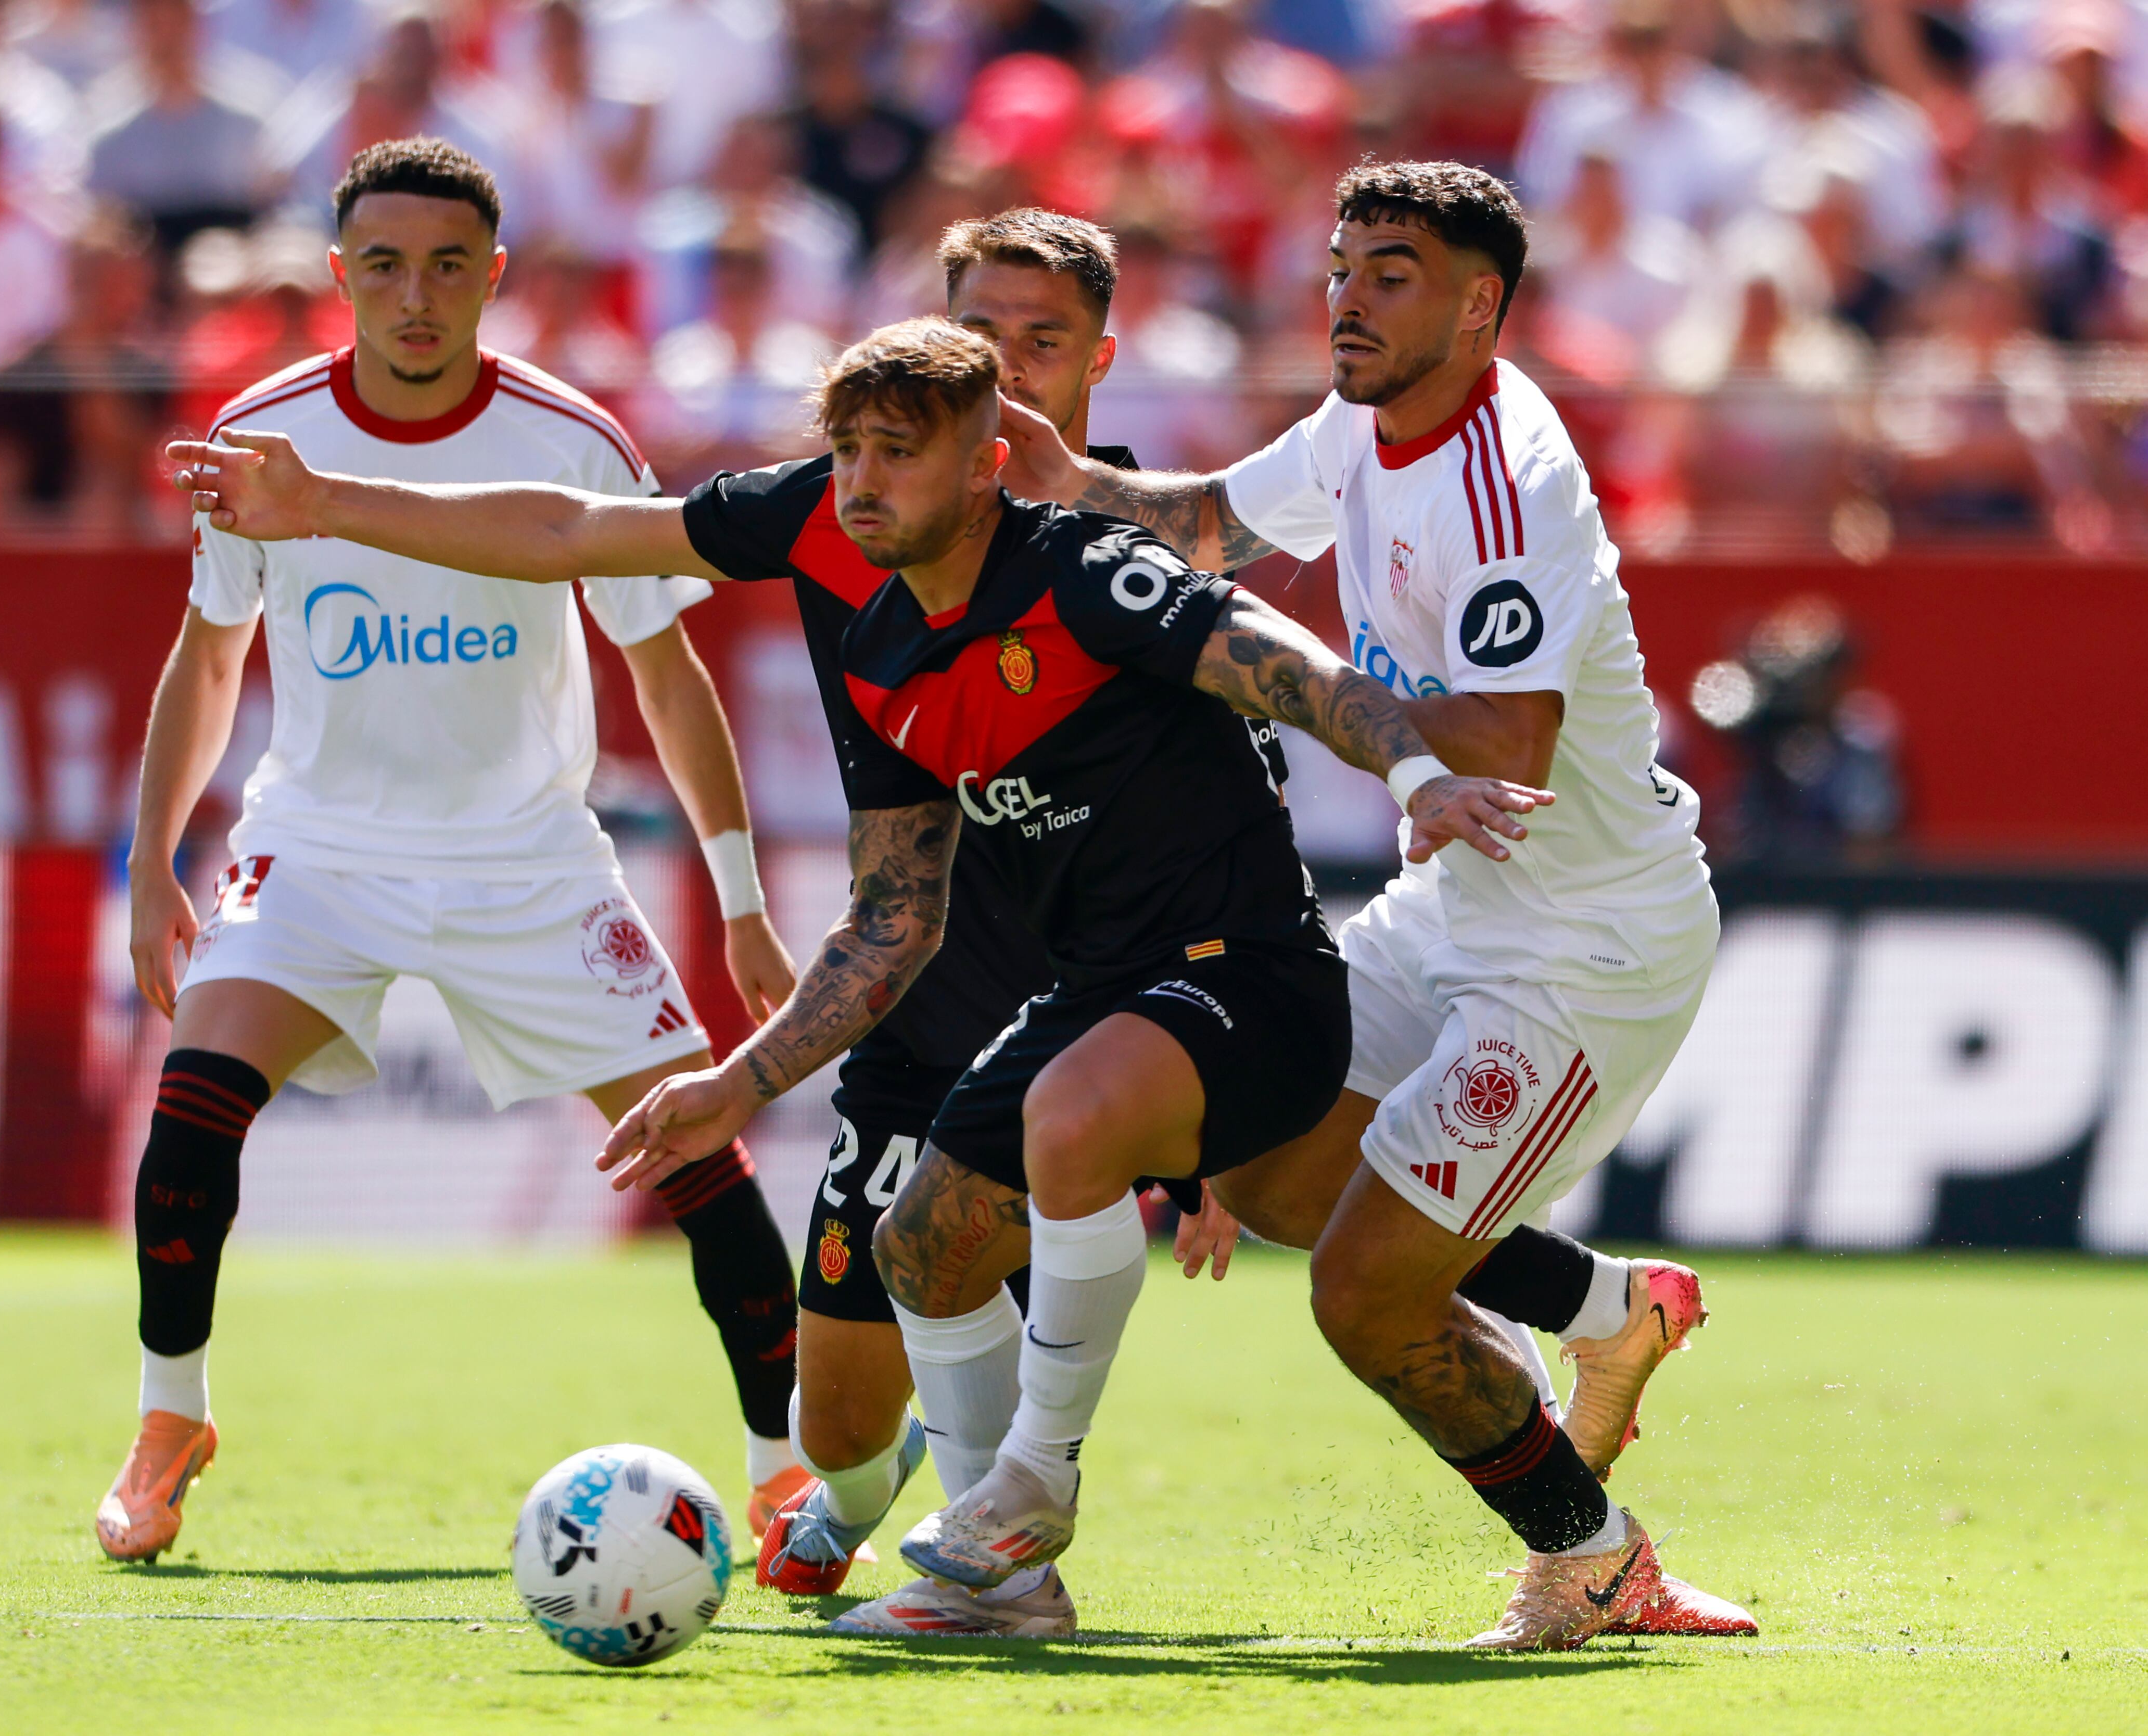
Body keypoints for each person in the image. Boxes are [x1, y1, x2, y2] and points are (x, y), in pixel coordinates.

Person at [164, 319, 1548, 1634]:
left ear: (986, 460)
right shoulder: (876, 631)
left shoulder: (1082, 569)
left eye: (900, 452)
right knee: (919, 1250)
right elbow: (883, 912)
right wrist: (735, 1080)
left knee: (1090, 1130)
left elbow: (1290, 665)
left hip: (1246, 980)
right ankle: (1006, 1578)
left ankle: (1027, 1497)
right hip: (1093, 996)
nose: (865, 482)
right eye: (852, 452)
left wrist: (1416, 770)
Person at [756, 208, 1736, 1642]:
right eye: (1340, 270)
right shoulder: (1362, 424)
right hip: (1454, 898)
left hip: (1585, 941)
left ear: (1480, 308)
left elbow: (1510, 741)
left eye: (1388, 280)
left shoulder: (1507, 487)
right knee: (1277, 1172)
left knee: (1363, 1299)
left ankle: (1593, 1559)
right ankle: (1604, 1308)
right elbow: (1212, 519)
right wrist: (1080, 481)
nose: (1346, 300)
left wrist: (1258, 664)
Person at [95, 136, 805, 1565]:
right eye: (381, 265)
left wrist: (737, 903)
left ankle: (785, 1472)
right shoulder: (266, 434)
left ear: (494, 276)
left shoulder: (571, 439)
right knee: (193, 1104)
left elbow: (667, 673)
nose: (413, 297)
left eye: (443, 267)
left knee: (701, 1154)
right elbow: (208, 656)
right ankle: (171, 1419)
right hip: (319, 847)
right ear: (337, 275)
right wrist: (151, 857)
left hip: (531, 866)